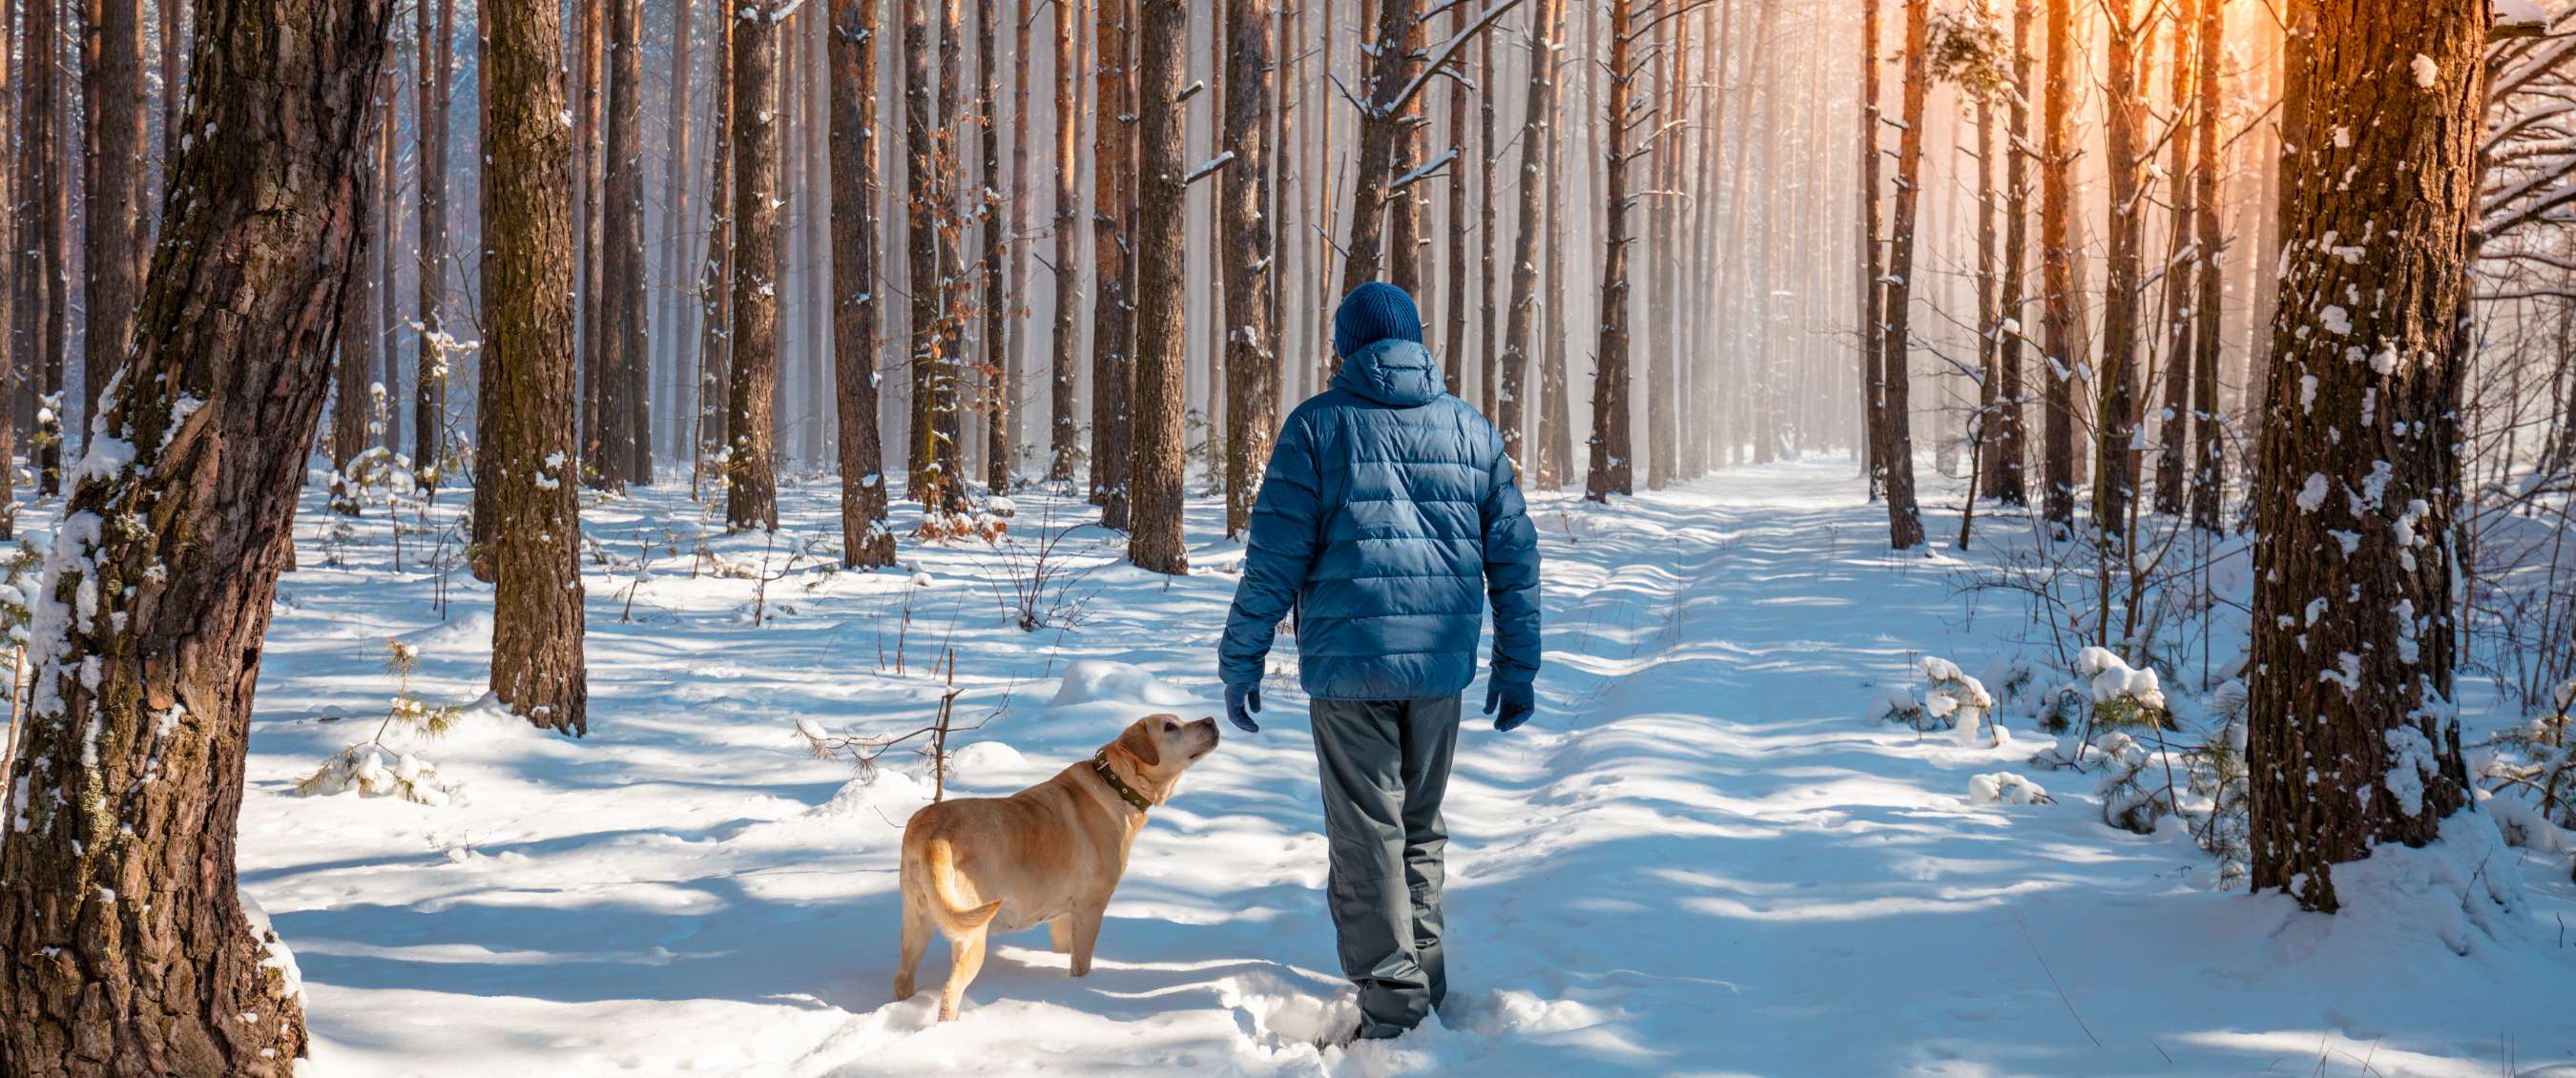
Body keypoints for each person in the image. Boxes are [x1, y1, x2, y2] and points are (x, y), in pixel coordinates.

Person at [1216, 281, 1541, 1042]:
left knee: (1368, 836)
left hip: (1349, 670)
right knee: (1418, 828)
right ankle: (1420, 983)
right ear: (1414, 342)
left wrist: (1243, 658)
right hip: (1439, 669)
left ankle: (1396, 1010)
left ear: (1346, 348)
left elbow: (1273, 562)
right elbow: (1514, 556)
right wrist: (1516, 663)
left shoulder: (1316, 428)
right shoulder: (1470, 429)